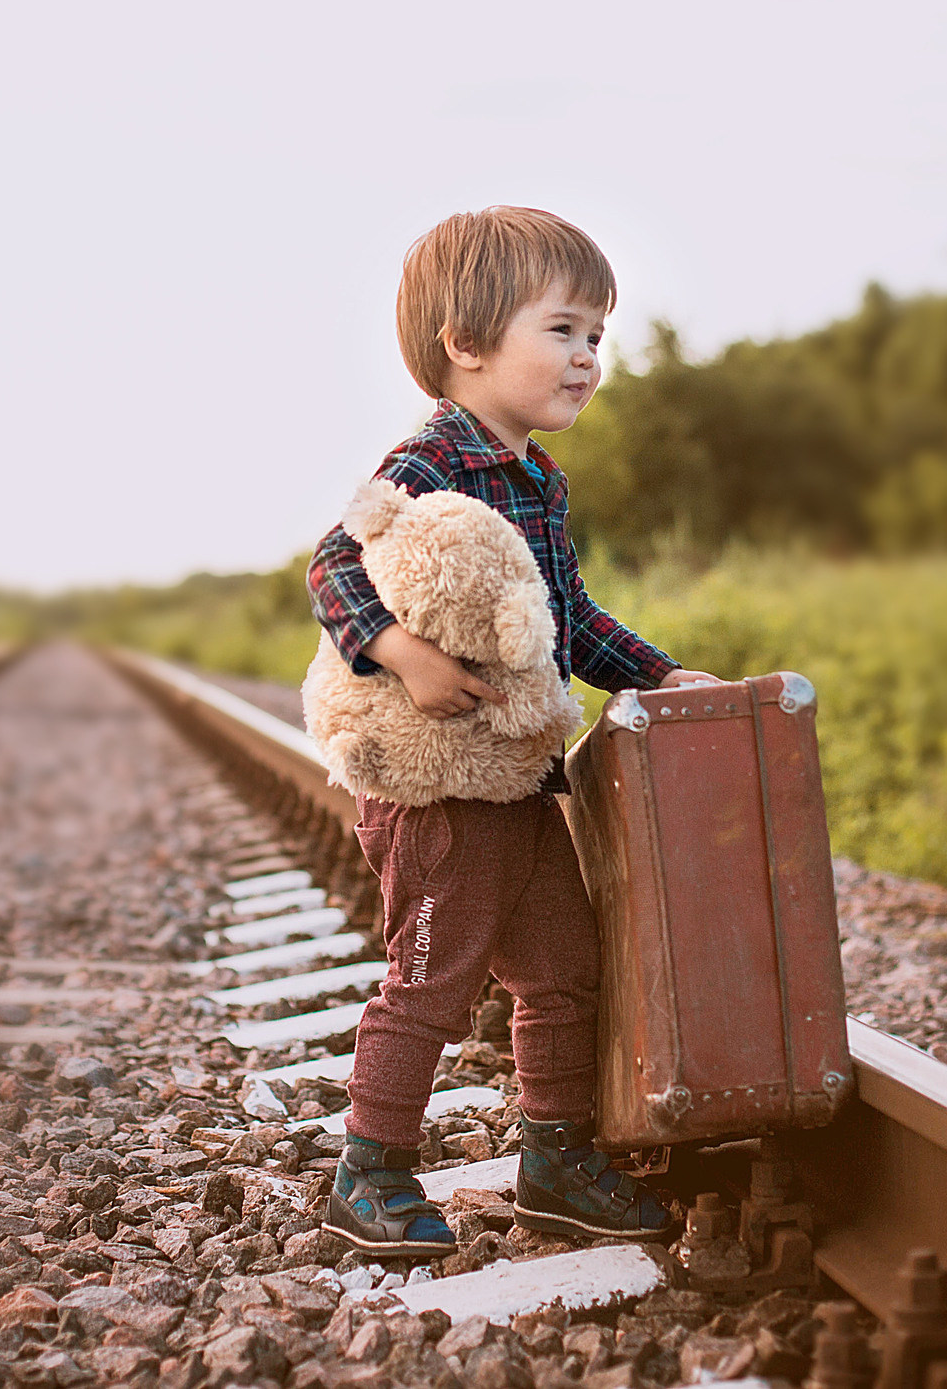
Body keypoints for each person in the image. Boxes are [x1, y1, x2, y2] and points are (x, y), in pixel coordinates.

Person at [303, 205, 716, 1261]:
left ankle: (555, 1160)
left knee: (565, 968)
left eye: (596, 336)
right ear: (468, 343)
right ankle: (367, 1171)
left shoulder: (537, 479)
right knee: (432, 982)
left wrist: (662, 675)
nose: (587, 358)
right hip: (438, 790)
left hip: (516, 780)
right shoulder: (431, 457)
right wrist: (402, 653)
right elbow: (333, 563)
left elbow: (568, 619)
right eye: (562, 330)